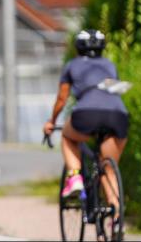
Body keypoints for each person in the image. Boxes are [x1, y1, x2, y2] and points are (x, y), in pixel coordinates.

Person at [43, 29, 129, 213]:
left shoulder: (71, 65)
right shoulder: (110, 65)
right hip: (118, 115)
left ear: (77, 48)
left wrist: (51, 121)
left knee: (67, 136)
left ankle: (74, 177)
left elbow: (62, 98)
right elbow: (115, 92)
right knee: (108, 168)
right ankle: (116, 220)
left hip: (87, 113)